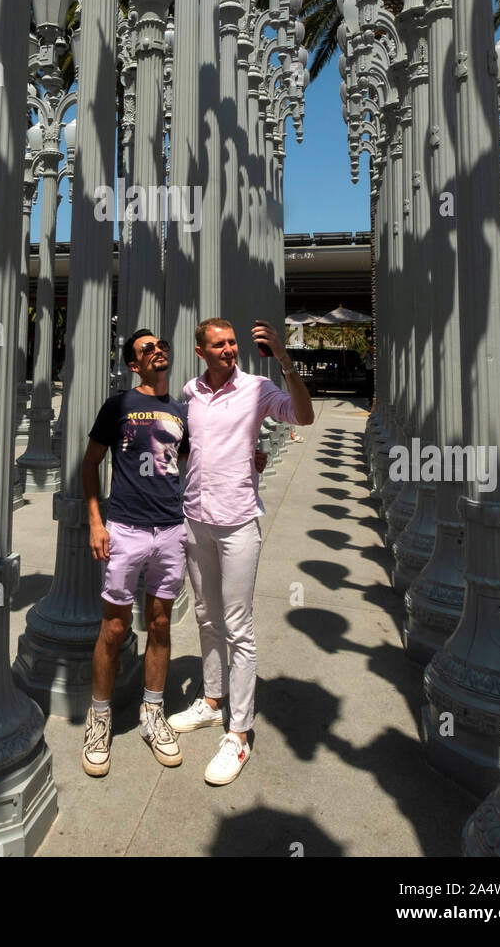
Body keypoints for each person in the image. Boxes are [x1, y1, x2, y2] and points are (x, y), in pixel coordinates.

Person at [169, 317, 314, 786]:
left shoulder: (257, 387)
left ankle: (240, 732)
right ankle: (212, 702)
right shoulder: (189, 393)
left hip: (237, 523)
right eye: (220, 344)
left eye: (233, 343)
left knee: (238, 625)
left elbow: (303, 416)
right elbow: (192, 448)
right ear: (200, 351)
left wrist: (286, 359)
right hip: (195, 517)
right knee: (206, 617)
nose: (230, 350)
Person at [81, 329, 189, 777]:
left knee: (160, 622)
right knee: (114, 626)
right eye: (147, 348)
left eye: (161, 344)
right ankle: (100, 717)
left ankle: (152, 713)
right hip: (125, 529)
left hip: (171, 530)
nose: (157, 349)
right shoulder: (119, 405)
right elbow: (90, 463)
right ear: (133, 364)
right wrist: (94, 520)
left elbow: (192, 462)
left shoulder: (181, 411)